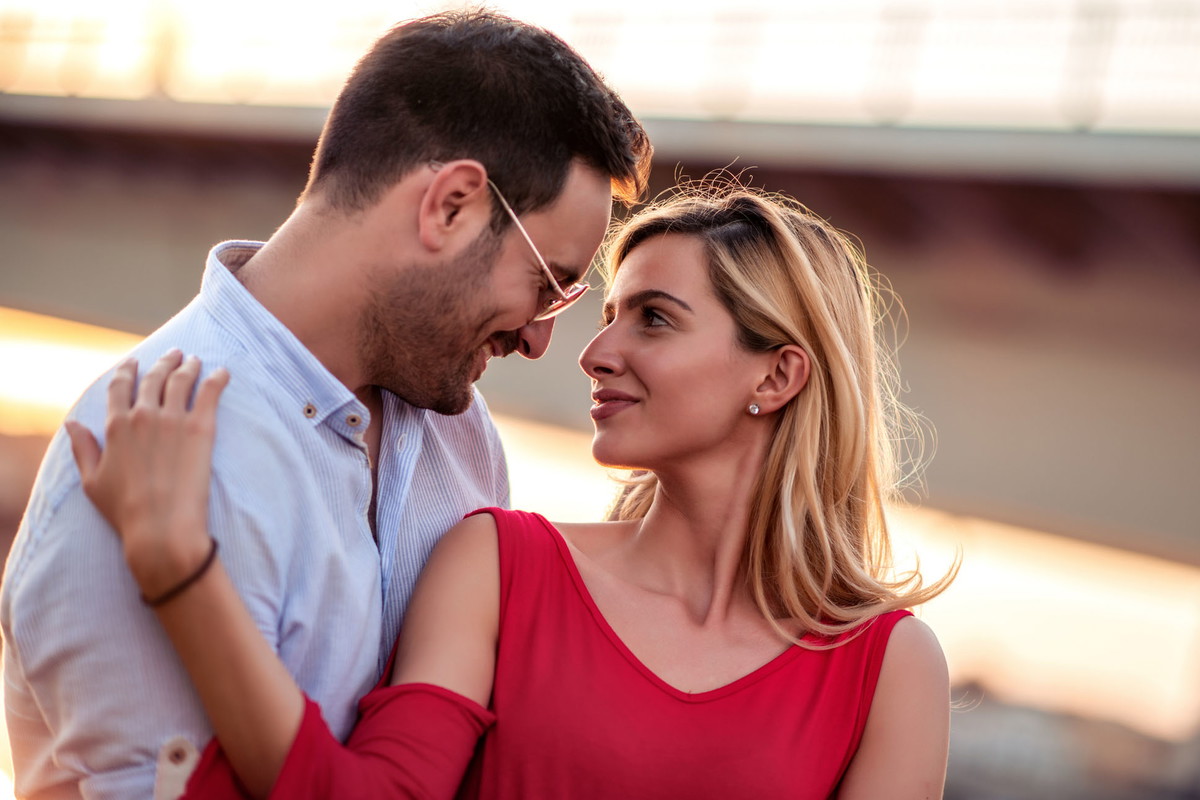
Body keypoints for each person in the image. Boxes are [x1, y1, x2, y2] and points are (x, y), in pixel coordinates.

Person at [69, 184, 957, 799]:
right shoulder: (499, 563)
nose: (594, 354)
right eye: (609, 317)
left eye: (654, 319)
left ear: (780, 374)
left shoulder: (889, 668)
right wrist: (178, 567)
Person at [0, 10, 651, 798]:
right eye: (546, 285)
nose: (543, 341)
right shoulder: (142, 453)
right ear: (451, 206)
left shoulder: (465, 445)